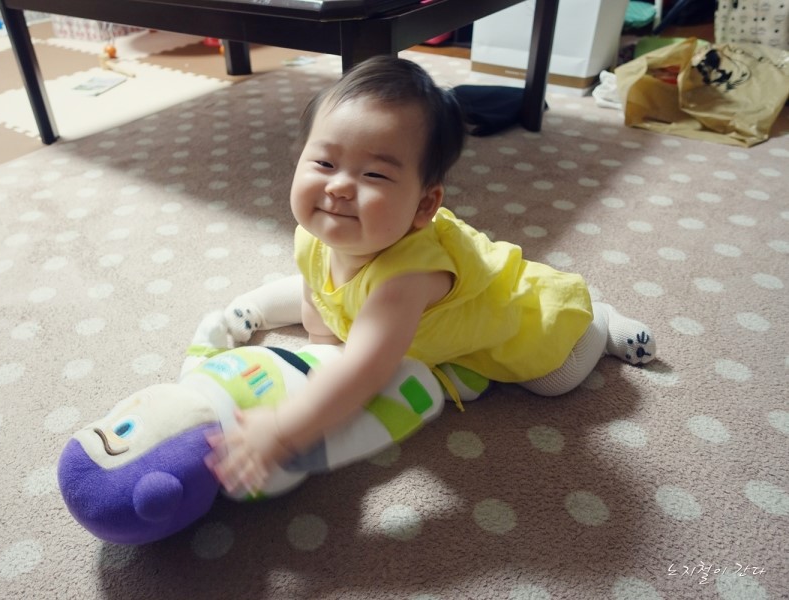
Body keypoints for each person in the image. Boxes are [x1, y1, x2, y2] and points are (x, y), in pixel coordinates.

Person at [205, 56, 656, 494]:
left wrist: (284, 430)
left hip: (529, 318)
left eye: (374, 174)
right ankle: (256, 307)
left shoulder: (407, 279)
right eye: (324, 163)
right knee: (342, 301)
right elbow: (316, 294)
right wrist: (321, 351)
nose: (338, 186)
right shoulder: (315, 233)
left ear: (424, 205)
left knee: (555, 380)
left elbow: (365, 371)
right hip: (414, 315)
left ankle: (600, 321)